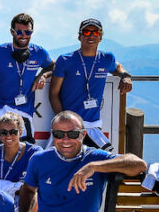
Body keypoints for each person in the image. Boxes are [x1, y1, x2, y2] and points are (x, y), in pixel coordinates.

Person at [50, 18, 133, 150]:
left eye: (96, 32)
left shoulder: (107, 58)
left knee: (108, 163)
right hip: (70, 129)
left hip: (93, 127)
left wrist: (125, 76)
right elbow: (53, 94)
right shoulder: (65, 60)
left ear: (101, 37)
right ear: (79, 36)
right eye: (87, 32)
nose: (91, 35)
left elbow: (117, 66)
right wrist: (64, 123)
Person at [0, 13, 53, 149]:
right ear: (12, 32)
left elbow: (53, 65)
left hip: (24, 112)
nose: (24, 35)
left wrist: (43, 75)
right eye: (19, 32)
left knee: (25, 153)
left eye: (28, 32)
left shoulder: (39, 52)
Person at [0, 111, 42, 202]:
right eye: (4, 132)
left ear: (21, 132)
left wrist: (4, 185)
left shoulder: (35, 153)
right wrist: (17, 187)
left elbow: (36, 186)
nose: (8, 136)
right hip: (1, 202)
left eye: (13, 132)